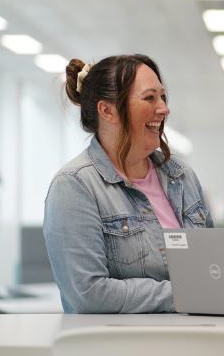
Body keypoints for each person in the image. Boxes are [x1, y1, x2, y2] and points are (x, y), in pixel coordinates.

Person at [44, 54, 213, 314]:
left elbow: (214, 268)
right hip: (119, 348)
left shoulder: (181, 175)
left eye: (163, 97)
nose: (164, 108)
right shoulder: (74, 186)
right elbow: (90, 294)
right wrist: (187, 294)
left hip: (195, 337)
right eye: (149, 98)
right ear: (108, 110)